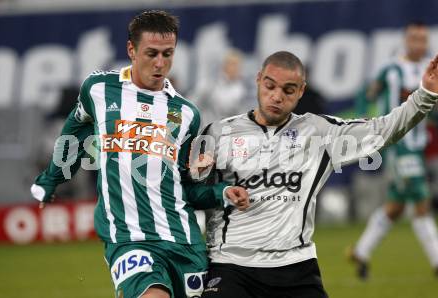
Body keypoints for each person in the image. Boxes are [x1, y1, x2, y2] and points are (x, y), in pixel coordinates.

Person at [30, 10, 249, 298]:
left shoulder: (186, 114)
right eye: (152, 53)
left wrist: (221, 191)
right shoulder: (98, 89)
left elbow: (187, 189)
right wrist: (50, 179)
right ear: (131, 50)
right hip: (127, 237)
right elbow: (74, 132)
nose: (160, 63)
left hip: (182, 239)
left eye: (168, 54)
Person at [195, 50, 438, 298]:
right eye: (270, 86)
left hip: (295, 266)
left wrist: (425, 95)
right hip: (231, 265)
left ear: (301, 91)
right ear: (258, 79)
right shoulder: (218, 133)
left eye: (289, 90)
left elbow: (382, 130)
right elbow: (187, 191)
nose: (277, 97)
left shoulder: (319, 133)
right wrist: (218, 189)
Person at [349, 22, 438, 280]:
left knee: (395, 207)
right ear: (405, 40)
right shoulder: (389, 69)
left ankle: (361, 252)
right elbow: (367, 93)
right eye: (414, 39)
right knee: (421, 202)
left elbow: (431, 113)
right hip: (398, 146)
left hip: (418, 147)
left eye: (422, 40)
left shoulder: (428, 71)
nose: (418, 44)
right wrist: (363, 118)